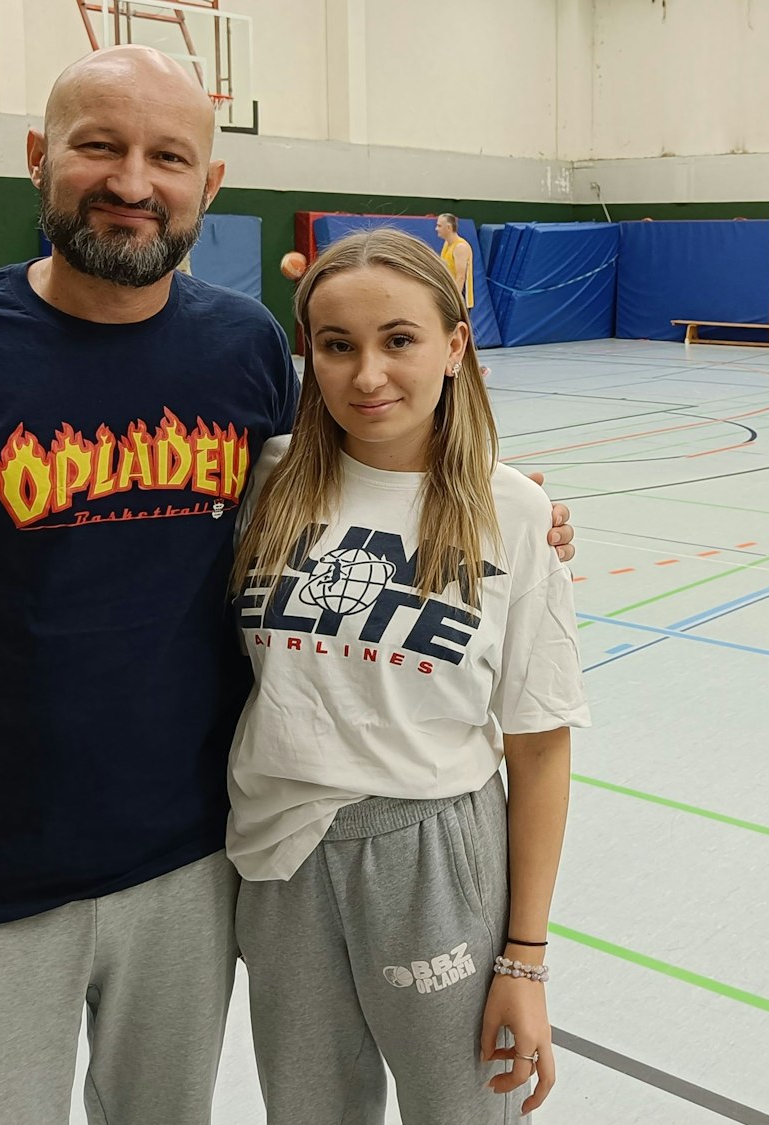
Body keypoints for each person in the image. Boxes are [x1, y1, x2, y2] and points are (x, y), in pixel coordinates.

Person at [0, 46, 574, 1124]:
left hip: (200, 866)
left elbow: (371, 451)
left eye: (167, 156)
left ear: (210, 185)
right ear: (35, 159)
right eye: (97, 145)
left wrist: (510, 508)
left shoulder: (240, 349)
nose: (131, 182)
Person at [229, 228, 587, 1122]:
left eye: (399, 339)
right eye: (337, 346)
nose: (367, 374)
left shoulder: (512, 512)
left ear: (456, 345)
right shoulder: (264, 482)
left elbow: (539, 752)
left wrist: (525, 960)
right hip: (280, 856)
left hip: (432, 854)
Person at [435, 212, 476, 309]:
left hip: (460, 299)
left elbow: (460, 277)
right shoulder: (447, 244)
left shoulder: (460, 247)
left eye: (439, 226)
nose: (436, 229)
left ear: (449, 227)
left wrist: (455, 301)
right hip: (449, 294)